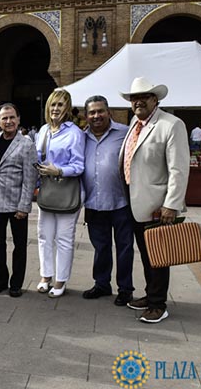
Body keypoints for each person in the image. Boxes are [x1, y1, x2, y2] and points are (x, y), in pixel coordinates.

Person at [120, 77, 190, 323]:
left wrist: (171, 204)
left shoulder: (171, 125)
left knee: (159, 256)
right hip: (136, 202)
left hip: (159, 206)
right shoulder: (135, 123)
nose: (137, 101)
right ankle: (151, 296)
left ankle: (159, 305)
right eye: (133, 98)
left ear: (155, 99)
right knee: (146, 254)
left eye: (143, 97)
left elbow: (179, 169)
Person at [81, 95, 134, 306]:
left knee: (124, 247)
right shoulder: (81, 137)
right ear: (86, 116)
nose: (96, 116)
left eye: (100, 111)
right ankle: (102, 284)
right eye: (92, 112)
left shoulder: (124, 132)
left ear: (108, 112)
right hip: (93, 203)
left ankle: (125, 289)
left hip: (120, 201)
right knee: (101, 247)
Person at [35, 88, 85, 298]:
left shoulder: (74, 132)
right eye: (53, 104)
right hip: (48, 189)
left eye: (60, 104)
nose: (55, 109)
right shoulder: (44, 130)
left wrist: (59, 170)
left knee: (64, 238)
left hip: (67, 190)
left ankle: (60, 280)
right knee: (44, 235)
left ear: (67, 108)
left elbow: (80, 165)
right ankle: (46, 276)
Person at [0, 102, 38, 297]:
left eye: (12, 117)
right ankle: (0, 280)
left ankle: (16, 283)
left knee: (19, 245)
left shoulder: (26, 144)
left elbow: (30, 177)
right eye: (4, 118)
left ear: (18, 120)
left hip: (17, 204)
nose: (8, 121)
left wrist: (24, 206)